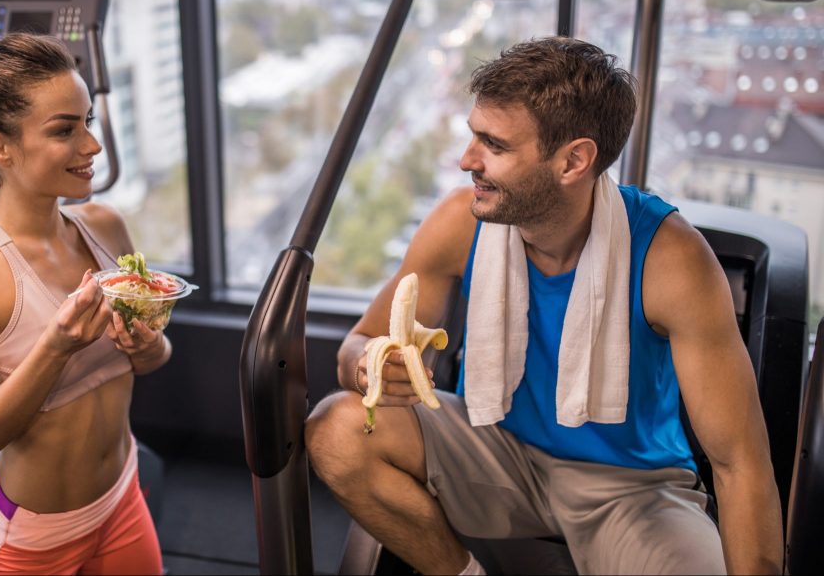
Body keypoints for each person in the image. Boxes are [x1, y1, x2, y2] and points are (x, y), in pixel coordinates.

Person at [305, 37, 782, 575]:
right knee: (336, 430)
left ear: (574, 160)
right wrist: (368, 366)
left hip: (631, 488)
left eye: (495, 145)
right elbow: (357, 346)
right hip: (495, 448)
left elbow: (740, 463)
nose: (467, 161)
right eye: (473, 137)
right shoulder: (459, 223)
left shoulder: (672, 259)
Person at [0, 33, 168, 575]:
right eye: (64, 130)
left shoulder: (105, 226)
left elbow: (155, 358)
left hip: (122, 499)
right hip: (33, 540)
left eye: (88, 123)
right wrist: (54, 348)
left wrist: (146, 345)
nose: (91, 146)